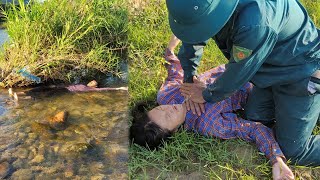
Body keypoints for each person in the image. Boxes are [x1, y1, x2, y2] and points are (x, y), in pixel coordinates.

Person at [166, 0, 320, 166]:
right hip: (269, 69)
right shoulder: (207, 6)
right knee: (255, 117)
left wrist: (206, 94)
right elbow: (193, 34)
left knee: (293, 151)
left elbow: (238, 72)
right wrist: (189, 78)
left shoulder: (254, 23)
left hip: (301, 71)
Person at [130, 49, 294, 180]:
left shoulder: (166, 96)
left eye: (160, 109)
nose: (169, 108)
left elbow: (175, 75)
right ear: (173, 131)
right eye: (167, 117)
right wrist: (276, 160)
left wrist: (171, 52)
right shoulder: (209, 123)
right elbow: (252, 129)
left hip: (236, 63)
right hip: (256, 84)